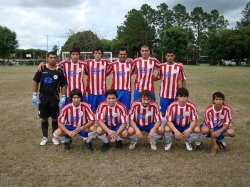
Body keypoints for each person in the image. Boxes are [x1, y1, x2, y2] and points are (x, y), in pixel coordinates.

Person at [32, 51, 67, 146]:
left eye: (54, 58)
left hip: (54, 97)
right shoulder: (42, 68)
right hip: (43, 97)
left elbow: (64, 84)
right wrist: (34, 94)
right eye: (51, 57)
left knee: (55, 119)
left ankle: (54, 137)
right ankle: (45, 137)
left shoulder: (60, 70)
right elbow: (36, 81)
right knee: (44, 118)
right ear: (47, 58)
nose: (52, 59)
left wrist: (63, 97)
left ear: (57, 59)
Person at [154, 49, 186, 123]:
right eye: (168, 56)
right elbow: (158, 77)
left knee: (174, 111)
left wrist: (183, 93)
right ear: (165, 57)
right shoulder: (162, 66)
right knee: (163, 112)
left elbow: (183, 79)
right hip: (164, 94)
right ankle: (163, 127)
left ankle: (173, 128)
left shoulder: (179, 67)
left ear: (174, 56)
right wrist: (148, 77)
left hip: (175, 94)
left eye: (171, 56)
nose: (170, 57)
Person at [84, 47, 110, 112]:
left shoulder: (106, 62)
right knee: (92, 111)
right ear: (93, 54)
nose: (97, 55)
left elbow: (117, 64)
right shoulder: (88, 62)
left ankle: (100, 122)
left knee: (102, 110)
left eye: (99, 53)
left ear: (102, 54)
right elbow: (77, 63)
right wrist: (68, 60)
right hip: (91, 92)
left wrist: (128, 60)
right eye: (96, 53)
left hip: (102, 92)